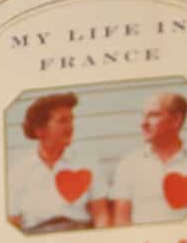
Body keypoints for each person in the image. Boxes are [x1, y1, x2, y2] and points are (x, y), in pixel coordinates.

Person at [7, 92, 110, 233]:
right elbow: (12, 222)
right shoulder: (20, 171)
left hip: (78, 232)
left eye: (71, 120)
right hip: (35, 237)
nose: (70, 126)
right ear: (39, 131)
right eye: (62, 121)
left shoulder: (86, 162)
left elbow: (101, 214)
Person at [110, 92, 187, 226]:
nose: (143, 123)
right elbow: (121, 220)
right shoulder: (130, 164)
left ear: (176, 120)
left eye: (153, 115)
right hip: (143, 242)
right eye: (143, 115)